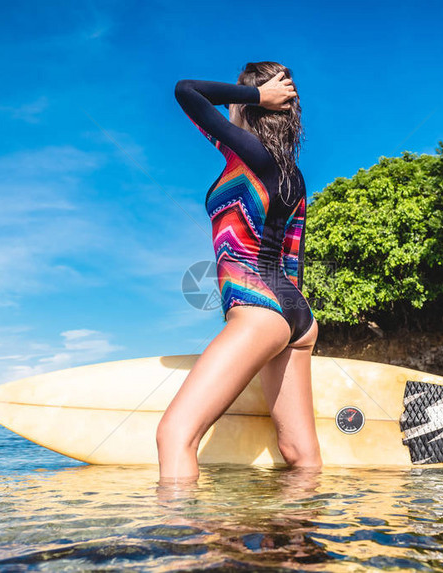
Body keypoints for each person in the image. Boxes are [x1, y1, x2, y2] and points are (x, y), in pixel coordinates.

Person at [157, 61, 322, 480]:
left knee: (174, 435)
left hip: (257, 307)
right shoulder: (293, 176)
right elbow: (291, 258)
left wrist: (254, 95)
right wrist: (287, 323)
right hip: (295, 315)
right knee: (300, 455)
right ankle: (297, 543)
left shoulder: (245, 153)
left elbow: (186, 89)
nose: (230, 105)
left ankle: (179, 545)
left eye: (237, 97)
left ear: (251, 103)